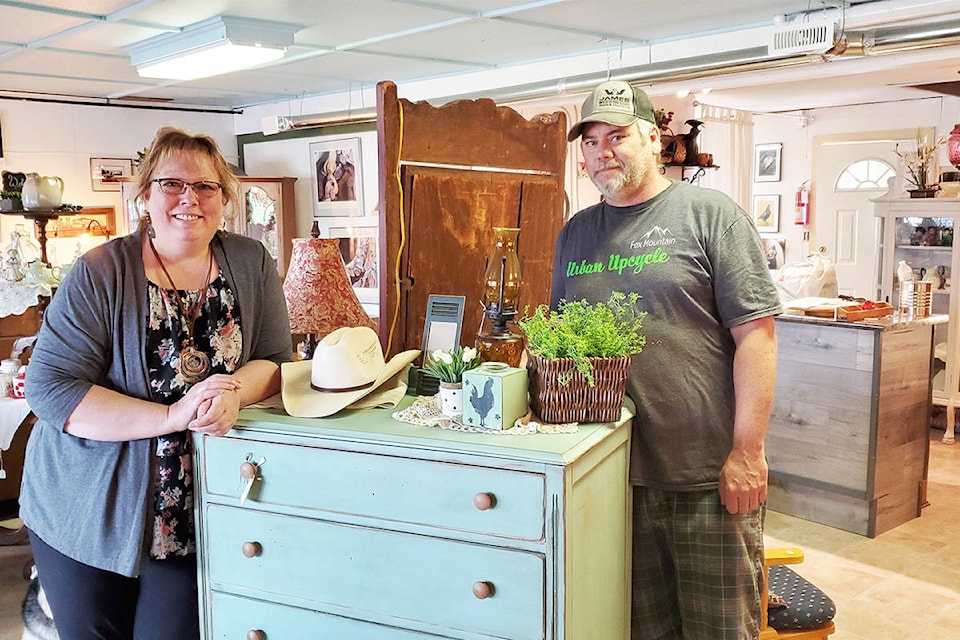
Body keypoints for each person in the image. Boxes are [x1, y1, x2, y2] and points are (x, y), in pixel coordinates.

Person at [20, 126, 293, 640]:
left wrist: (229, 391)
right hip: (89, 504)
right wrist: (172, 416)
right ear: (145, 194)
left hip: (194, 508)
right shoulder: (101, 271)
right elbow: (51, 387)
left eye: (206, 186)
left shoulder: (251, 261)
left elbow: (276, 360)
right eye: (171, 183)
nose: (189, 198)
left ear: (224, 199)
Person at [555, 81, 781, 640]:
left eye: (617, 136)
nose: (600, 151)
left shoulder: (711, 217)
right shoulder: (576, 235)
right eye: (588, 141)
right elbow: (561, 345)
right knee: (635, 630)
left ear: (653, 138)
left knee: (720, 630)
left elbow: (758, 337)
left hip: (707, 476)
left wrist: (747, 453)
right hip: (610, 476)